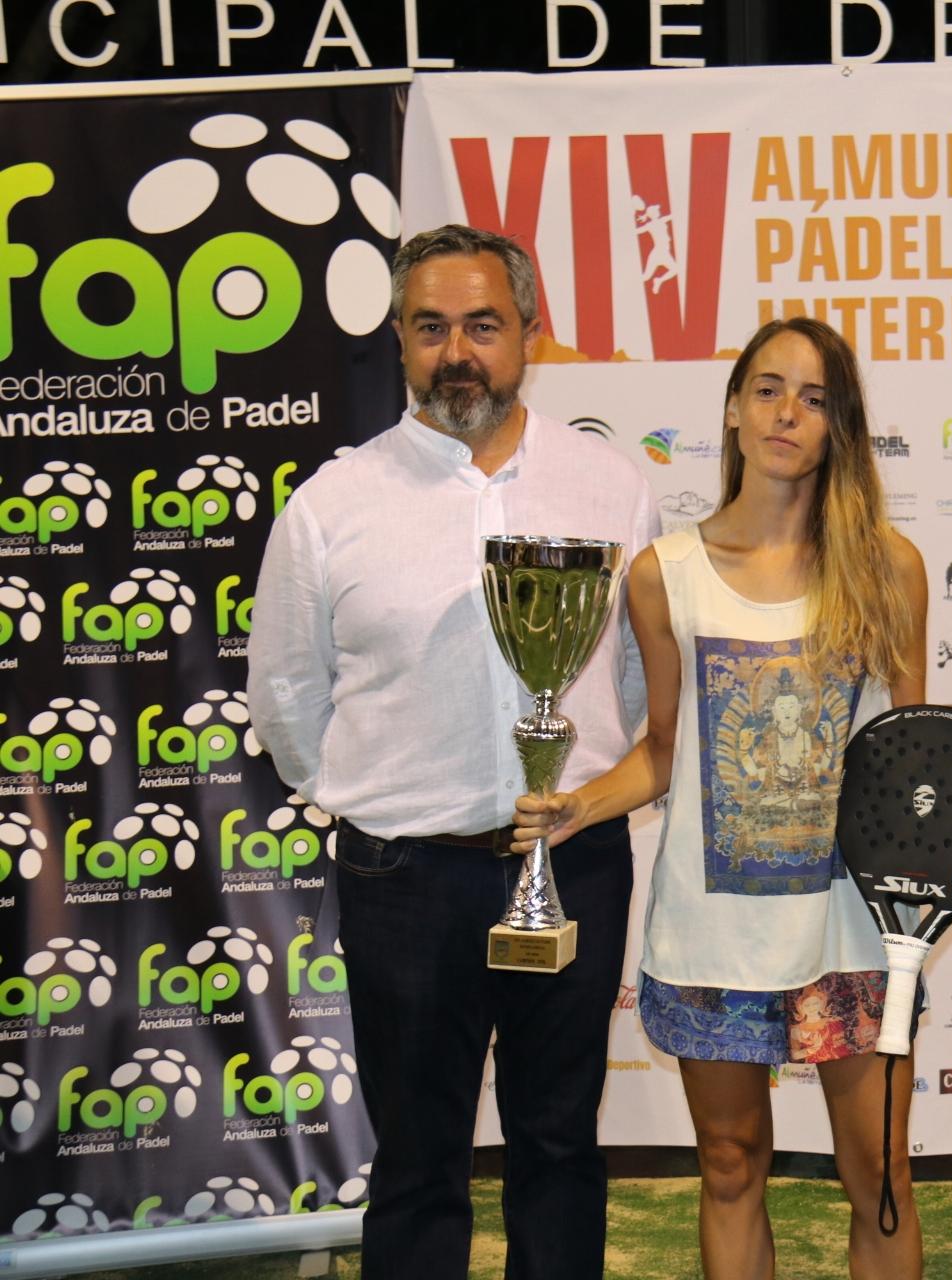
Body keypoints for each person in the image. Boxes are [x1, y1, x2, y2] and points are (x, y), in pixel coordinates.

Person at [512, 316, 952, 1280]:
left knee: (879, 1173)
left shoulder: (888, 568)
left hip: (857, 929)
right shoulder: (664, 574)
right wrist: (578, 805)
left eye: (816, 398)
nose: (789, 412)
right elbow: (665, 752)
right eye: (769, 390)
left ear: (840, 426)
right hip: (713, 934)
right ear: (734, 411)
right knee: (730, 1166)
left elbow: (913, 762)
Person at [247, 224, 661, 1279]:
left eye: (483, 325)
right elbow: (287, 695)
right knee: (418, 1158)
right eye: (430, 328)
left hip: (573, 857)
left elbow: (633, 682)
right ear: (398, 338)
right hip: (405, 874)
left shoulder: (611, 485)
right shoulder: (333, 504)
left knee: (559, 1144)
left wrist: (581, 791)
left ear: (530, 335)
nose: (457, 352)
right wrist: (384, 796)